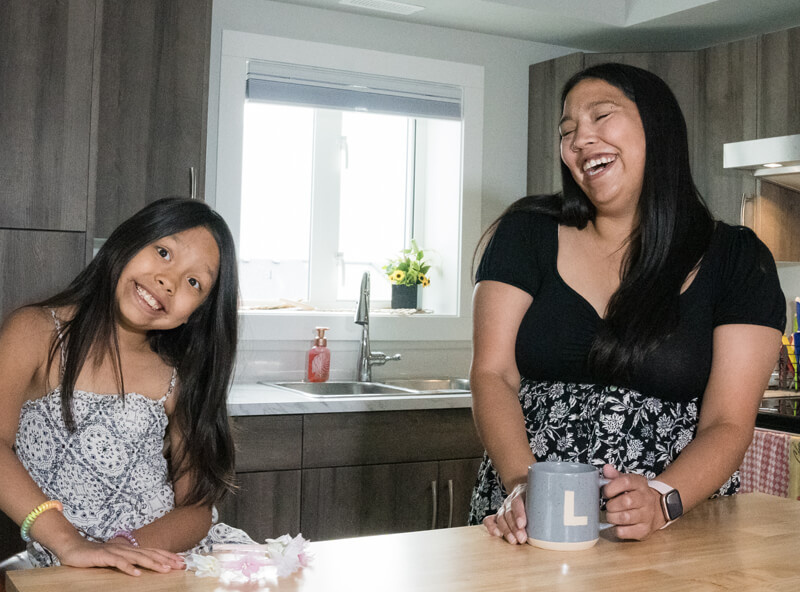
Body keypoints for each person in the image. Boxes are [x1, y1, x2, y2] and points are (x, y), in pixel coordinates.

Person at [468, 63, 785, 544]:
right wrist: (522, 484)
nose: (578, 140)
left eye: (601, 116)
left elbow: (728, 421)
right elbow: (493, 373)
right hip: (526, 523)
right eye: (567, 130)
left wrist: (662, 499)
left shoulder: (738, 260)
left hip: (673, 525)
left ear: (657, 130)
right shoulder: (525, 233)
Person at [0, 197, 255, 579]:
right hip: (67, 563)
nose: (168, 282)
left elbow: (197, 508)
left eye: (193, 282)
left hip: (161, 558)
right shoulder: (36, 332)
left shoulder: (177, 374)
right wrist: (70, 543)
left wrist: (126, 546)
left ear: (196, 312)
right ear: (130, 240)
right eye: (164, 251)